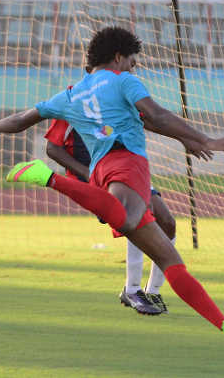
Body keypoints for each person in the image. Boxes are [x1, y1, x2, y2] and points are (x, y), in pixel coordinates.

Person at [0, 26, 224, 357]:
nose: (133, 67)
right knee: (128, 219)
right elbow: (155, 113)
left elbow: (22, 118)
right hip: (127, 164)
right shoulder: (122, 81)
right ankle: (49, 179)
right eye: (131, 60)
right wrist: (206, 140)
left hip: (102, 173)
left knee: (171, 260)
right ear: (118, 57)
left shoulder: (72, 94)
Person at [44, 117, 176, 315]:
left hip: (122, 169)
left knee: (167, 222)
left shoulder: (115, 98)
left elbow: (148, 119)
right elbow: (52, 148)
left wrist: (186, 138)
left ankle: (153, 291)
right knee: (137, 216)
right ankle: (132, 290)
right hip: (92, 177)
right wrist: (88, 173)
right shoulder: (72, 102)